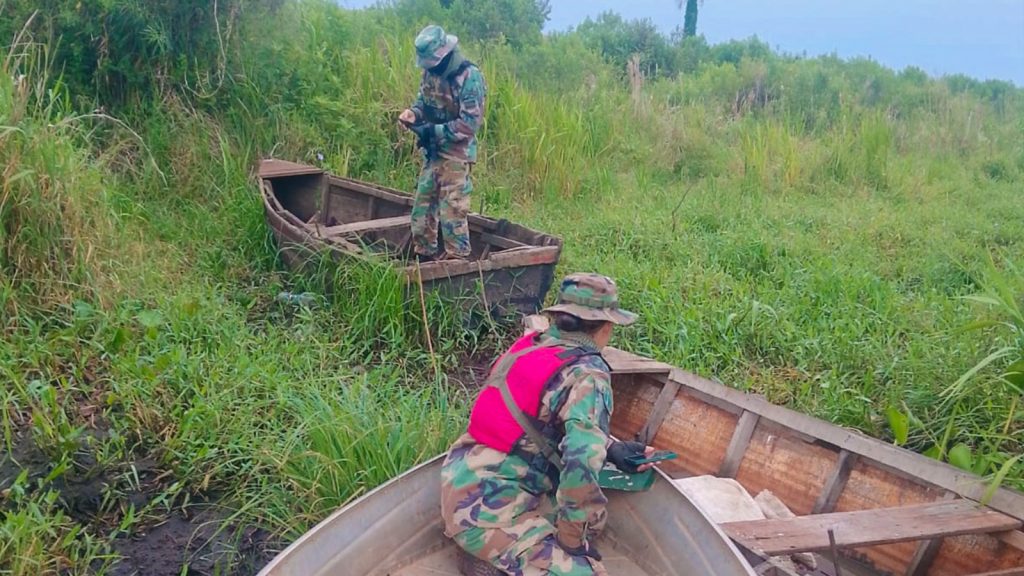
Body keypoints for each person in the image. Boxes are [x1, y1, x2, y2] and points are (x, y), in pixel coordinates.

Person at [441, 273, 655, 576]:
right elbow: (582, 463)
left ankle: (495, 550)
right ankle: (485, 556)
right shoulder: (587, 374)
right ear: (606, 327)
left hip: (461, 480)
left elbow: (538, 417)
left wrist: (613, 448)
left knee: (595, 519)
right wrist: (572, 543)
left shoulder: (531, 346)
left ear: (560, 318)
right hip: (484, 511)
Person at [398, 25, 486, 262]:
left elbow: (469, 124)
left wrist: (432, 131)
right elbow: (423, 102)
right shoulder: (430, 73)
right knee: (422, 210)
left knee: (452, 213)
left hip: (457, 155)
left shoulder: (469, 77)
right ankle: (424, 259)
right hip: (435, 154)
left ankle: (457, 265)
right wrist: (413, 114)